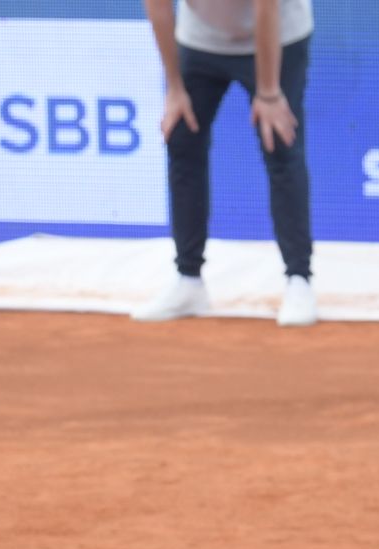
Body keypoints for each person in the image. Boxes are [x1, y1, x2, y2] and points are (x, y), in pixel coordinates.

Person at [132, 0, 316, 328]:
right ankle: (188, 281)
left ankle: (299, 280)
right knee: (182, 141)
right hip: (200, 42)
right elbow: (158, 6)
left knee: (281, 147)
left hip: (278, 36)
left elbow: (267, 7)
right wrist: (174, 88)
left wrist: (269, 93)